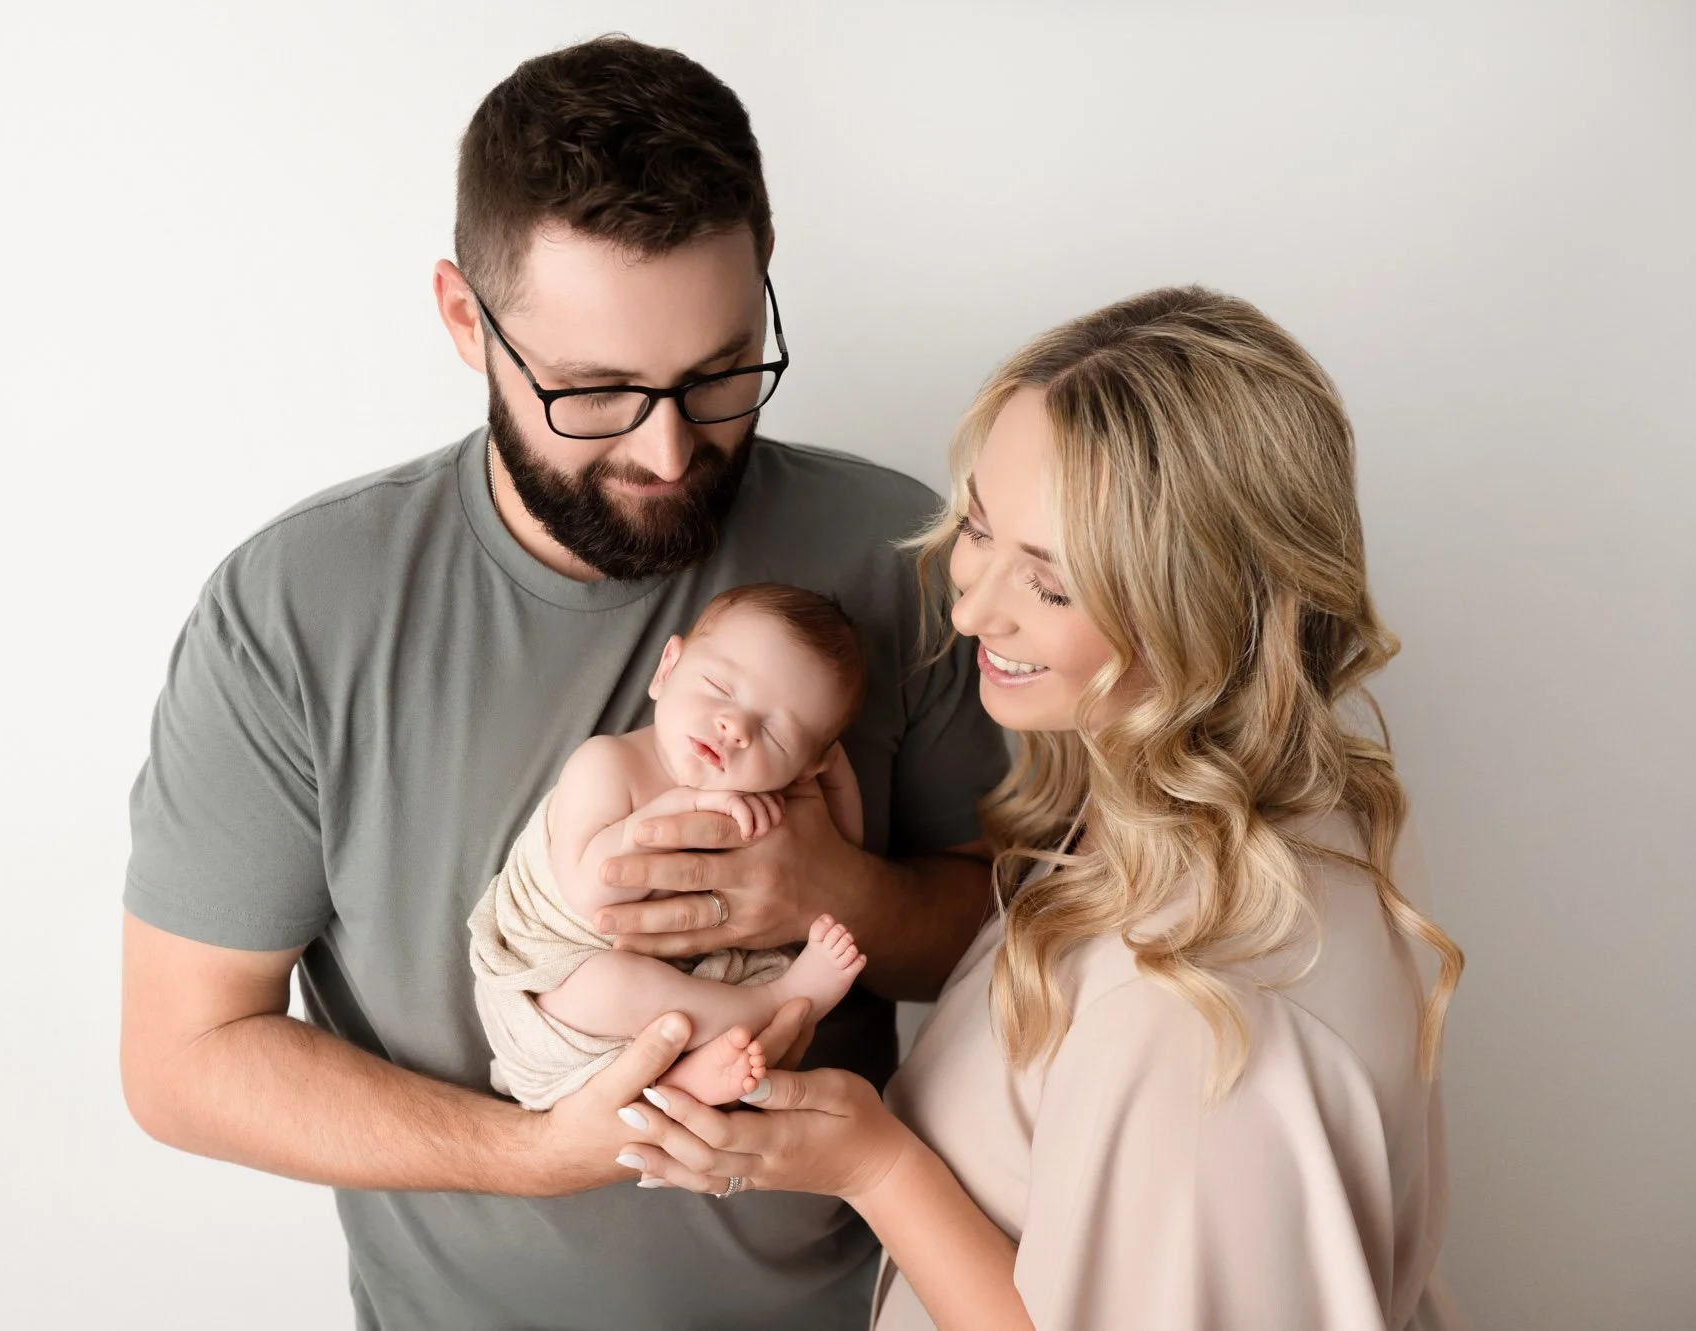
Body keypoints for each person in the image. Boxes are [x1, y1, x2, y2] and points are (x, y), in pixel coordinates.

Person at [116, 35, 1006, 1331]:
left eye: (718, 373)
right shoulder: (299, 610)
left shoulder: (900, 557)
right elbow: (184, 1057)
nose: (667, 445)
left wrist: (839, 889)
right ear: (465, 319)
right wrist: (537, 1150)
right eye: (595, 390)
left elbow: (1040, 937)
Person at [614, 286, 1468, 1330]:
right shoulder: (1270, 803)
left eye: (1050, 585)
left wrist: (872, 1163)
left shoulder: (1192, 1012)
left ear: (1196, 607)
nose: (970, 606)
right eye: (977, 523)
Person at [469, 582, 871, 1109]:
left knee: (728, 996)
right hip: (553, 992)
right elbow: (595, 899)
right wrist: (675, 811)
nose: (735, 726)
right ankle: (781, 999)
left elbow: (843, 849)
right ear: (667, 669)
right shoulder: (609, 765)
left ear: (804, 764)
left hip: (673, 1018)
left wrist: (832, 772)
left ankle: (684, 1082)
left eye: (775, 733)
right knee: (606, 988)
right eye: (719, 688)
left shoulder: (768, 797)